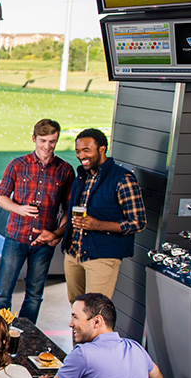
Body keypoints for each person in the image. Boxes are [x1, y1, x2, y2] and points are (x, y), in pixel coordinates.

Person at [42, 128, 146, 303]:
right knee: (76, 309)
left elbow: (138, 223)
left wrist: (98, 225)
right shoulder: (81, 178)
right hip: (73, 254)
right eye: (78, 151)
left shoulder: (123, 179)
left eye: (86, 150)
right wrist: (56, 234)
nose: (81, 155)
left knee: (94, 311)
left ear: (102, 149)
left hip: (102, 258)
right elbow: (75, 219)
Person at [0, 118, 75, 323]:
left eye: (52, 141)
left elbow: (68, 209)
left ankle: (25, 337)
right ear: (34, 139)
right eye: (43, 141)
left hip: (44, 242)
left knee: (34, 295)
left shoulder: (65, 170)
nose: (47, 146)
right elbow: (1, 198)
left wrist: (59, 233)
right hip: (16, 237)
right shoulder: (17, 165)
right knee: (4, 293)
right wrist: (19, 209)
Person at [38, 293, 163, 378]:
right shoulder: (135, 347)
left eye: (75, 317)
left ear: (97, 321)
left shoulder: (82, 354)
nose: (70, 324)